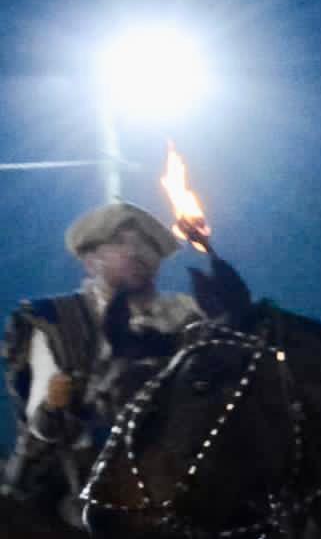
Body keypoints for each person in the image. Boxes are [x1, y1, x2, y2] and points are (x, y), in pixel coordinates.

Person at [8, 202, 202, 506]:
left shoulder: (187, 318)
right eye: (119, 242)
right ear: (90, 261)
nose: (135, 252)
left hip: (173, 475)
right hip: (75, 479)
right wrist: (53, 405)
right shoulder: (55, 319)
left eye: (146, 244)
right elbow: (41, 427)